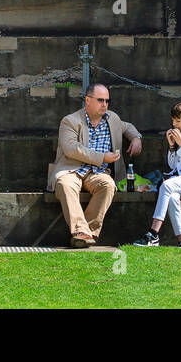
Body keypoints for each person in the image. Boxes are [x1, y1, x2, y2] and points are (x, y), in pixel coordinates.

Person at [47, 83, 142, 248]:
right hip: (72, 169)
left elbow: (128, 127)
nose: (104, 104)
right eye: (100, 100)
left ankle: (87, 233)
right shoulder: (70, 121)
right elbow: (71, 148)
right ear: (87, 100)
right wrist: (102, 157)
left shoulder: (112, 119)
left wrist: (136, 138)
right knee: (64, 184)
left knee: (108, 185)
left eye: (107, 101)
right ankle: (80, 231)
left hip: (98, 173)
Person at [134, 101, 181, 248]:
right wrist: (171, 146)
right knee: (173, 198)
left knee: (166, 185)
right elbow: (173, 165)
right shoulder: (179, 136)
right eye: (173, 120)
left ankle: (153, 233)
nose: (174, 124)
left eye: (178, 120)